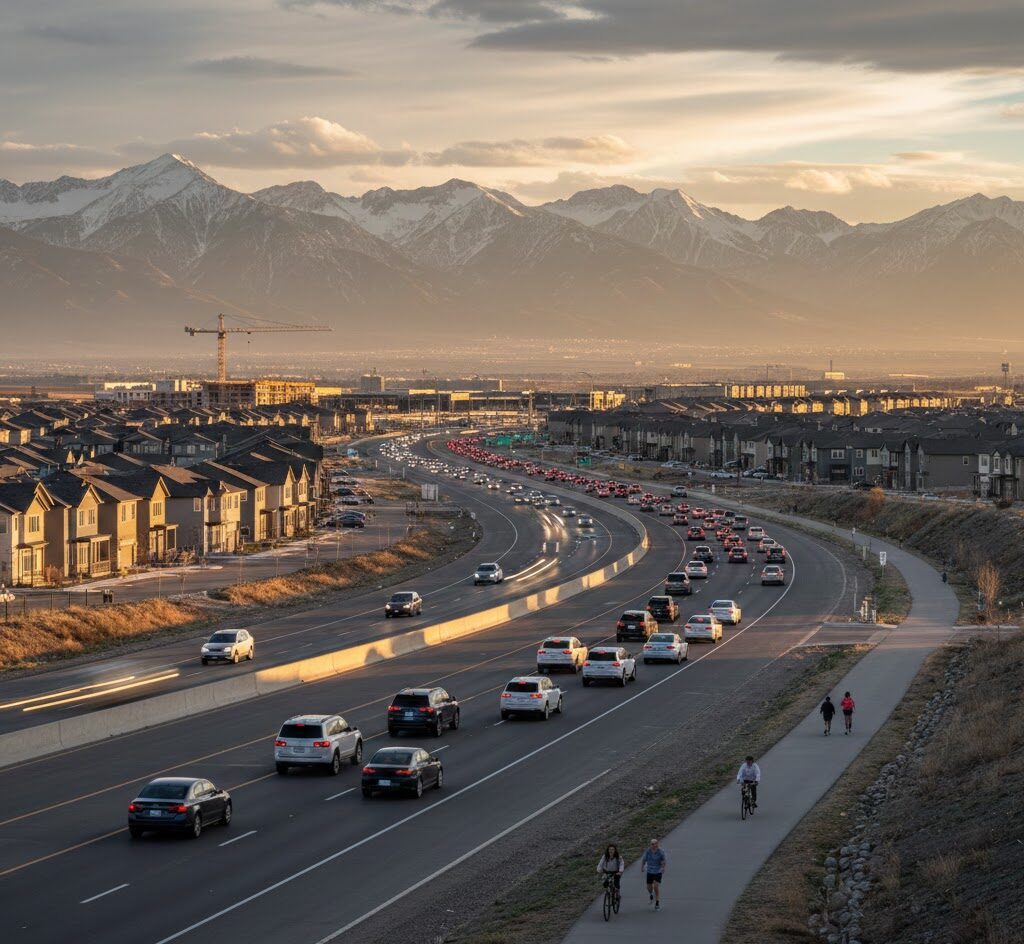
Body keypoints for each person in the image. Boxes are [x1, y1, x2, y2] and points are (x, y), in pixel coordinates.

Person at [640, 838, 666, 910]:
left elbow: (663, 860)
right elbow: (644, 859)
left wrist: (663, 868)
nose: (654, 845)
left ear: (657, 844)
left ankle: (657, 902)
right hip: (650, 871)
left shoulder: (661, 852)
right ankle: (651, 894)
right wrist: (642, 867)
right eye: (652, 844)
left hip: (657, 871)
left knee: (656, 886)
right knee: (649, 887)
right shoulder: (648, 851)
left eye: (655, 843)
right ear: (650, 845)